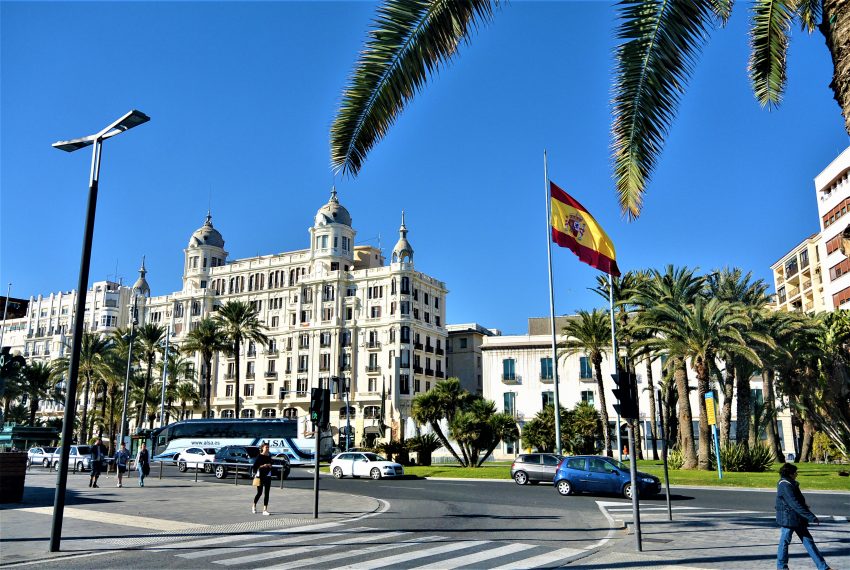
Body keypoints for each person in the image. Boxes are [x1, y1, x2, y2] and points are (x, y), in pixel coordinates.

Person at [775, 463, 832, 570]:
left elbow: (796, 501)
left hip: (797, 518)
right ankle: (781, 567)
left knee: (808, 542)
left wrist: (804, 505)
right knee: (785, 542)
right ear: (790, 473)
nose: (797, 474)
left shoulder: (790, 483)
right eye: (795, 472)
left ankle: (823, 567)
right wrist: (811, 517)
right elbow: (794, 503)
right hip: (789, 519)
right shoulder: (785, 485)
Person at [251, 443, 274, 515]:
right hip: (260, 476)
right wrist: (263, 466)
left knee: (267, 493)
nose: (267, 448)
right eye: (266, 447)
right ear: (262, 448)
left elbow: (271, 464)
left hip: (268, 475)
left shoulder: (269, 456)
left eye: (268, 447)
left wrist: (269, 465)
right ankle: (254, 505)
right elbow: (254, 467)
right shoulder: (259, 456)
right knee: (259, 493)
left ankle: (265, 510)